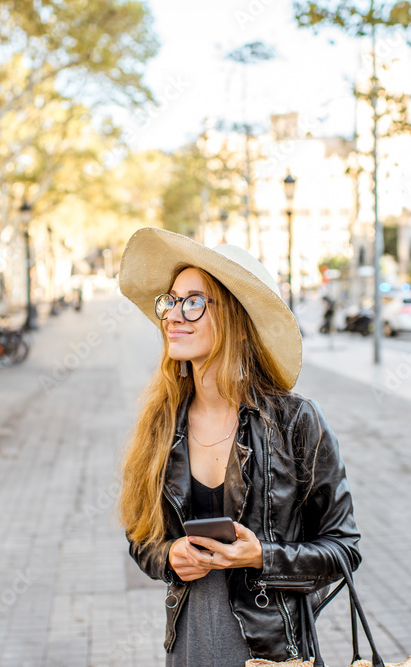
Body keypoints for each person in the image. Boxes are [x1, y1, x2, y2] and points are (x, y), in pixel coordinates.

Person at [117, 228, 361, 665]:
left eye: (193, 302)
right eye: (171, 301)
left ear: (237, 321)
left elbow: (344, 550)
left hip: (274, 654)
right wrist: (168, 556)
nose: (173, 315)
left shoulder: (295, 421)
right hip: (189, 647)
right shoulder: (160, 422)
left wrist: (262, 556)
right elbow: (141, 539)